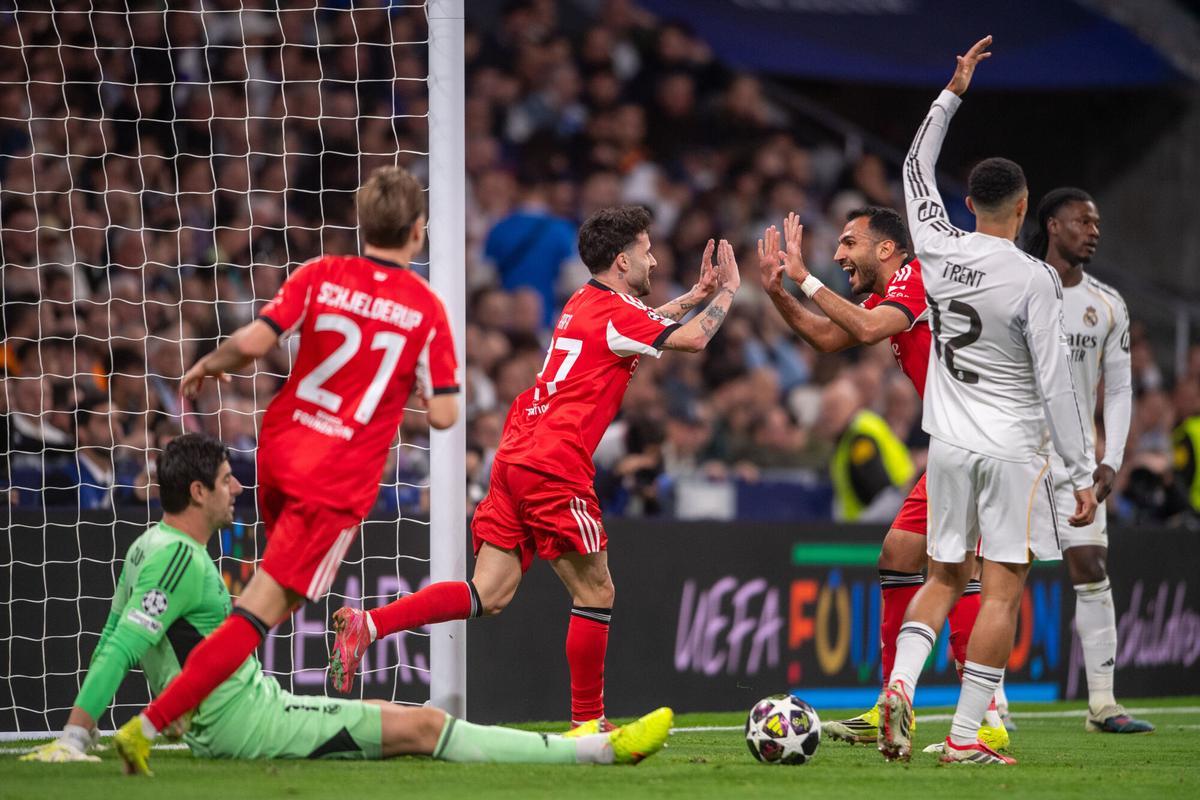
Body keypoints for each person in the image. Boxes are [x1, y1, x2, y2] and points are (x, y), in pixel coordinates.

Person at [21, 434, 671, 770]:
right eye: (224, 481)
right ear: (196, 492)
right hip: (249, 723)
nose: (236, 488)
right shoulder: (179, 556)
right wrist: (78, 736)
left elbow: (115, 637)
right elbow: (126, 643)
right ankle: (593, 750)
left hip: (248, 714)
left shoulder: (146, 548)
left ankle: (587, 740)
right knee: (426, 727)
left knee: (404, 715)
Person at [330, 205, 741, 729]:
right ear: (621, 261)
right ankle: (588, 723)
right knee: (596, 592)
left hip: (517, 453)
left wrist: (696, 295)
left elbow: (648, 324)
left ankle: (368, 624)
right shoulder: (615, 313)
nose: (655, 261)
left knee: (489, 593)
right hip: (554, 462)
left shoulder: (585, 301)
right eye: (646, 251)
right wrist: (727, 291)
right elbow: (694, 339)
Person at [113, 165, 462, 775]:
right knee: (259, 615)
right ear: (417, 232)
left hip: (280, 450)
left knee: (271, 586)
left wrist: (206, 366)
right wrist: (414, 389)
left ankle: (241, 592)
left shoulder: (322, 273)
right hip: (333, 482)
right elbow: (444, 415)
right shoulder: (426, 309)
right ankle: (148, 724)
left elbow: (253, 343)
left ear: (362, 225)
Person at [879, 37, 1097, 766]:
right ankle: (966, 739)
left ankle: (899, 688)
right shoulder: (1035, 279)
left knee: (942, 579)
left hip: (948, 443)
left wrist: (953, 91)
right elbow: (1057, 383)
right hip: (1012, 450)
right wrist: (1081, 473)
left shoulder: (937, 246)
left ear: (967, 203)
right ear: (1026, 207)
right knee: (1000, 592)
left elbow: (913, 168)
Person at [756, 207, 1001, 749]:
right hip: (956, 439)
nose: (839, 254)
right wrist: (778, 293)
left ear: (886, 249)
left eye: (849, 243)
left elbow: (864, 328)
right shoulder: (887, 295)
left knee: (956, 571)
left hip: (982, 439)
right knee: (901, 557)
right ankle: (892, 704)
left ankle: (986, 719)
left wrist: (805, 277)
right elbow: (826, 336)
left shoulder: (915, 278)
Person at [1024, 188, 1152, 734]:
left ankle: (1102, 704)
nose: (1093, 231)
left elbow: (1119, 391)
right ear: (1053, 226)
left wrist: (1111, 460)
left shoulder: (1108, 305)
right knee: (1002, 575)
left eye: (1096, 223)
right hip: (1021, 453)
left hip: (1078, 462)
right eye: (1082, 221)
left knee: (1091, 568)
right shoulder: (1021, 285)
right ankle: (991, 704)